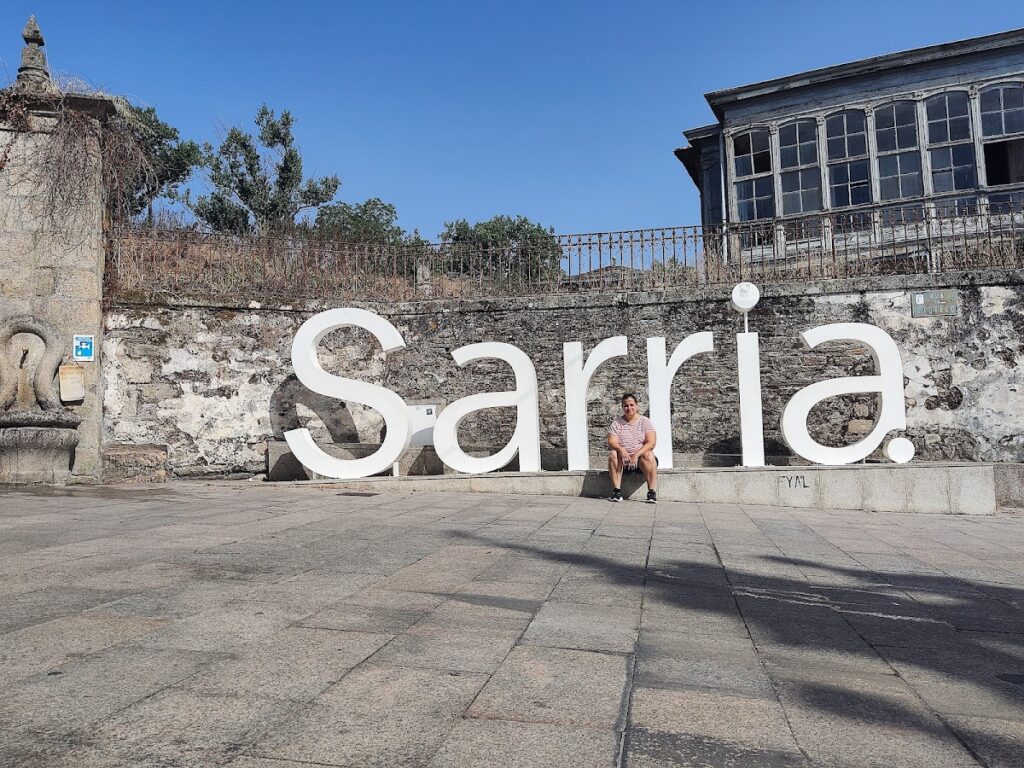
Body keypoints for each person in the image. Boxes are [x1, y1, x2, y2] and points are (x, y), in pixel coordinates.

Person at [606, 393, 657, 503]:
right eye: (626, 406)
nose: (629, 408)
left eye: (631, 405)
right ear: (622, 407)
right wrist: (621, 450)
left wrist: (636, 454)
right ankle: (617, 492)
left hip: (641, 461)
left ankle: (652, 492)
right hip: (624, 461)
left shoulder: (645, 422)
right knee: (613, 454)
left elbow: (651, 442)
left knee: (648, 454)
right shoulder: (616, 423)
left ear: (636, 406)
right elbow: (612, 441)